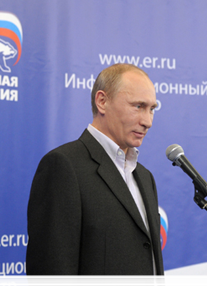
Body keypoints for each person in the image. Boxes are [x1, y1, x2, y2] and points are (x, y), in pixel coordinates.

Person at [26, 63, 165, 286]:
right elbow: (51, 273)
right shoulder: (63, 166)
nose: (147, 121)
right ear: (102, 101)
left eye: (152, 109)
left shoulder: (145, 177)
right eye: (138, 106)